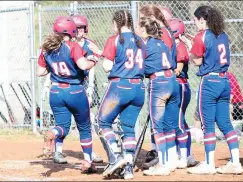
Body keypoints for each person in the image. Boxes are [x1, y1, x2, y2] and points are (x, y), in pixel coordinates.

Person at [179, 5, 243, 174]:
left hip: (209, 82)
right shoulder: (222, 35)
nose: (195, 23)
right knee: (225, 123)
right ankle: (235, 162)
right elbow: (210, 49)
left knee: (208, 125)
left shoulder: (202, 36)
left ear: (202, 20)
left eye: (196, 20)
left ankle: (209, 164)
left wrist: (189, 48)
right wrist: (195, 43)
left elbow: (198, 61)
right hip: (224, 81)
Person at [88, 10, 146, 179]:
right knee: (128, 129)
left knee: (102, 122)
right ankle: (128, 168)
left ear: (117, 23)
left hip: (120, 86)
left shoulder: (114, 40)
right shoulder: (141, 41)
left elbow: (107, 66)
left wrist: (101, 55)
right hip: (138, 88)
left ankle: (115, 156)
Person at [37, 16, 98, 173]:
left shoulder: (46, 48)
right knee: (84, 128)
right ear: (70, 30)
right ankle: (87, 162)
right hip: (75, 90)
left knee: (62, 126)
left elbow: (40, 72)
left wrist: (53, 65)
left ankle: (53, 133)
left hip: (56, 91)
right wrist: (94, 60)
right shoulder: (73, 46)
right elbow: (83, 64)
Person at [136, 16, 180, 176]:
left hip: (159, 83)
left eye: (139, 27)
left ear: (143, 30)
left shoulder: (146, 45)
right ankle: (170, 160)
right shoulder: (162, 43)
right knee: (169, 125)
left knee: (158, 127)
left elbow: (143, 69)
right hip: (172, 81)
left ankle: (162, 164)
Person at [69, 14, 103, 164]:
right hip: (70, 83)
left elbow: (92, 64)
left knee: (88, 119)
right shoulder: (67, 43)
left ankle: (90, 152)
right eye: (76, 28)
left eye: (81, 27)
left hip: (85, 83)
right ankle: (57, 150)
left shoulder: (88, 44)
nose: (79, 30)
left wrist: (90, 86)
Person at [168, 18, 198, 168]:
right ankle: (186, 154)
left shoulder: (180, 46)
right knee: (180, 122)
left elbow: (178, 70)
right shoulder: (174, 44)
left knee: (178, 121)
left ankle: (184, 156)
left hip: (180, 86)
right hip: (178, 86)